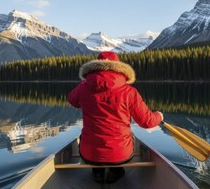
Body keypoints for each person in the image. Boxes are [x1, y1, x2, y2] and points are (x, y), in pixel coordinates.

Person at [67, 51, 163, 183]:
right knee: (129, 136)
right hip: (121, 154)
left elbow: (72, 100)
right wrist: (159, 115)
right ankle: (116, 172)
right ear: (119, 68)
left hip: (90, 154)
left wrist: (84, 86)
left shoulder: (83, 88)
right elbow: (147, 122)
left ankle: (97, 173)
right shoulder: (129, 92)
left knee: (87, 139)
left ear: (94, 67)